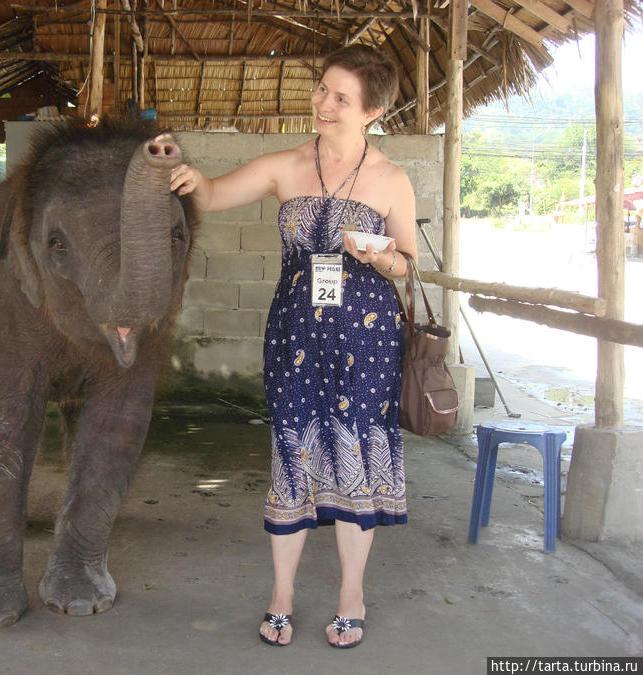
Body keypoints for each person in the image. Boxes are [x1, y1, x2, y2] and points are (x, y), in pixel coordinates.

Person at [171, 44, 417, 649]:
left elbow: (406, 265)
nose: (324, 104)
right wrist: (189, 174)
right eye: (322, 90)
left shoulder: (391, 179)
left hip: (367, 341)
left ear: (372, 111)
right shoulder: (285, 165)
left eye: (341, 98)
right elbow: (211, 194)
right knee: (293, 457)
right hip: (295, 336)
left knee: (355, 459)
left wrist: (382, 255)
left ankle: (350, 596)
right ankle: (281, 596)